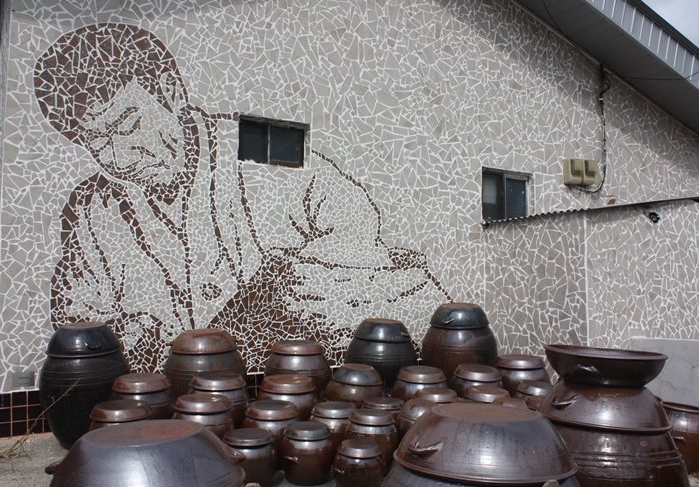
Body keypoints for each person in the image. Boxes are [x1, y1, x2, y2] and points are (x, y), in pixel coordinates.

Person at [36, 23, 452, 372]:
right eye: (97, 142)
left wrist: (302, 281)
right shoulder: (90, 208)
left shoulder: (257, 144)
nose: (119, 157)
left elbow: (355, 222)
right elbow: (78, 317)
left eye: (128, 125)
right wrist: (127, 332)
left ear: (171, 91)